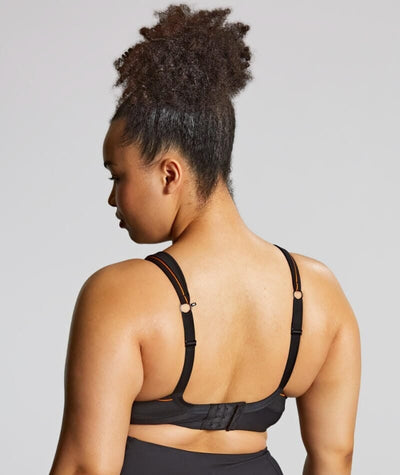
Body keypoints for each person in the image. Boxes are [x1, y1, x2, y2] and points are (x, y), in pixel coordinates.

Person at [49, 4, 361, 474]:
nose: (113, 198)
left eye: (117, 175)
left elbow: (86, 467)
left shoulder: (119, 295)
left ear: (169, 174)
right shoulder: (319, 292)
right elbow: (336, 457)